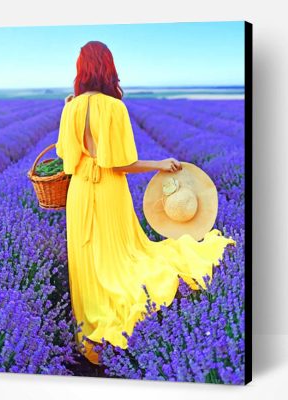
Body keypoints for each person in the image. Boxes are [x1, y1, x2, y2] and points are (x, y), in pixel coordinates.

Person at [55, 41, 236, 365]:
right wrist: (159, 163)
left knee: (89, 263)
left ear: (81, 68)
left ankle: (90, 337)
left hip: (79, 192)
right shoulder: (113, 108)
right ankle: (126, 325)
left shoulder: (69, 107)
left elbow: (65, 158)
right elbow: (119, 163)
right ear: (107, 67)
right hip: (108, 191)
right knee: (121, 258)